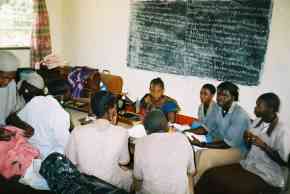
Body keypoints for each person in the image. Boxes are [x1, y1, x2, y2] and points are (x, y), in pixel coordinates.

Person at [195, 93, 290, 194]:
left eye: (259, 106)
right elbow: (249, 148)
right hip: (248, 165)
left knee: (238, 188)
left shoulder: (283, 130)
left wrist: (263, 145)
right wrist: (247, 140)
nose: (255, 108)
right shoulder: (257, 122)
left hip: (268, 173)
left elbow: (284, 162)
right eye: (256, 104)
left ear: (270, 109)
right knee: (211, 174)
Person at [65, 91, 132, 192]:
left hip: (84, 184)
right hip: (110, 185)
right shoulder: (122, 132)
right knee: (129, 173)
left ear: (92, 109)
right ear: (113, 109)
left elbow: (70, 160)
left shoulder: (77, 131)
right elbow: (124, 161)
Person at [191, 81, 251, 182]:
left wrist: (204, 144)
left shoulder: (240, 115)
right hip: (223, 142)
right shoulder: (219, 109)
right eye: (219, 94)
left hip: (238, 150)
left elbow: (228, 144)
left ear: (233, 97)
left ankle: (193, 186)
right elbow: (210, 128)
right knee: (197, 154)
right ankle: (189, 185)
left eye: (225, 95)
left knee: (205, 156)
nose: (220, 97)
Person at [133, 110, 195, 194]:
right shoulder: (183, 138)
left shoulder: (140, 143)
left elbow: (138, 176)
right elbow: (192, 171)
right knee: (189, 177)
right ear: (167, 126)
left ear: (146, 130)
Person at [16, 72, 70, 159]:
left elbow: (18, 121)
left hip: (26, 153)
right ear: (63, 97)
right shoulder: (61, 113)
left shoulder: (34, 101)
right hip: (45, 159)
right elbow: (65, 143)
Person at [0, 51, 20, 125]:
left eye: (11, 78)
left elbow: (11, 114)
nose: (6, 82)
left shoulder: (12, 84)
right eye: (3, 77)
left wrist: (23, 124)